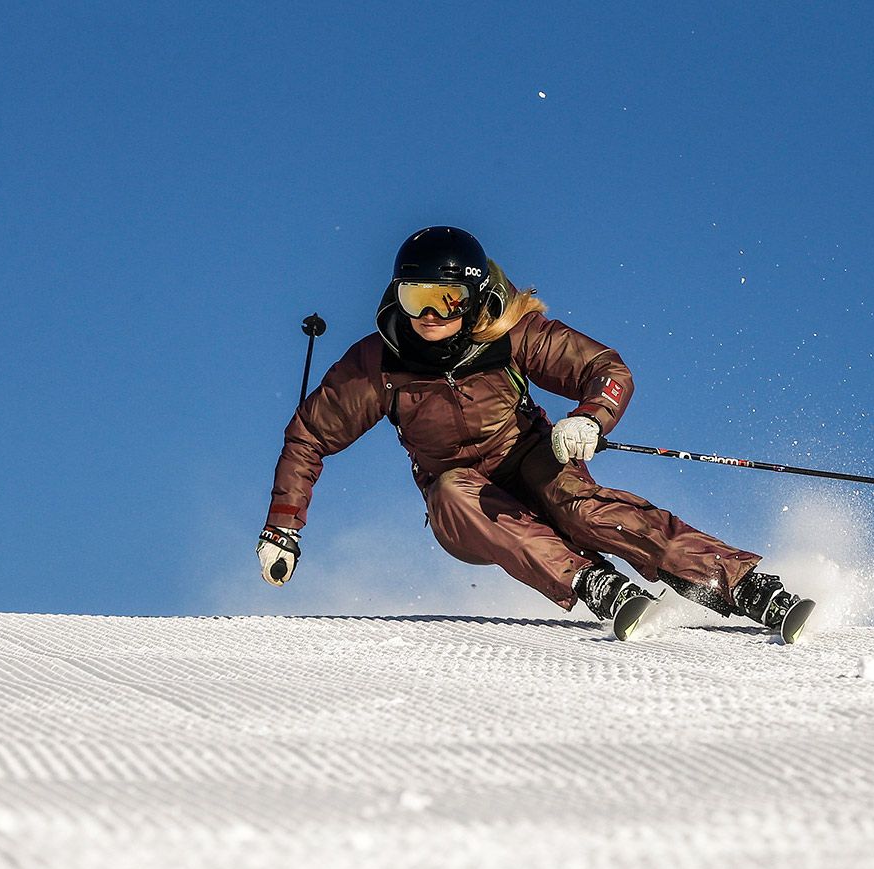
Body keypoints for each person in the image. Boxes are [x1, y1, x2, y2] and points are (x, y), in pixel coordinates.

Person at [258, 226, 814, 643]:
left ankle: (742, 585)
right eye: (412, 299)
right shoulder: (379, 363)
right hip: (462, 497)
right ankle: (593, 583)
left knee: (582, 510)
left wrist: (591, 417)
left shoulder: (511, 334)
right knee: (454, 490)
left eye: (442, 299)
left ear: (473, 299)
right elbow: (308, 436)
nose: (426, 316)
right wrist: (283, 529)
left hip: (530, 455)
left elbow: (607, 370)